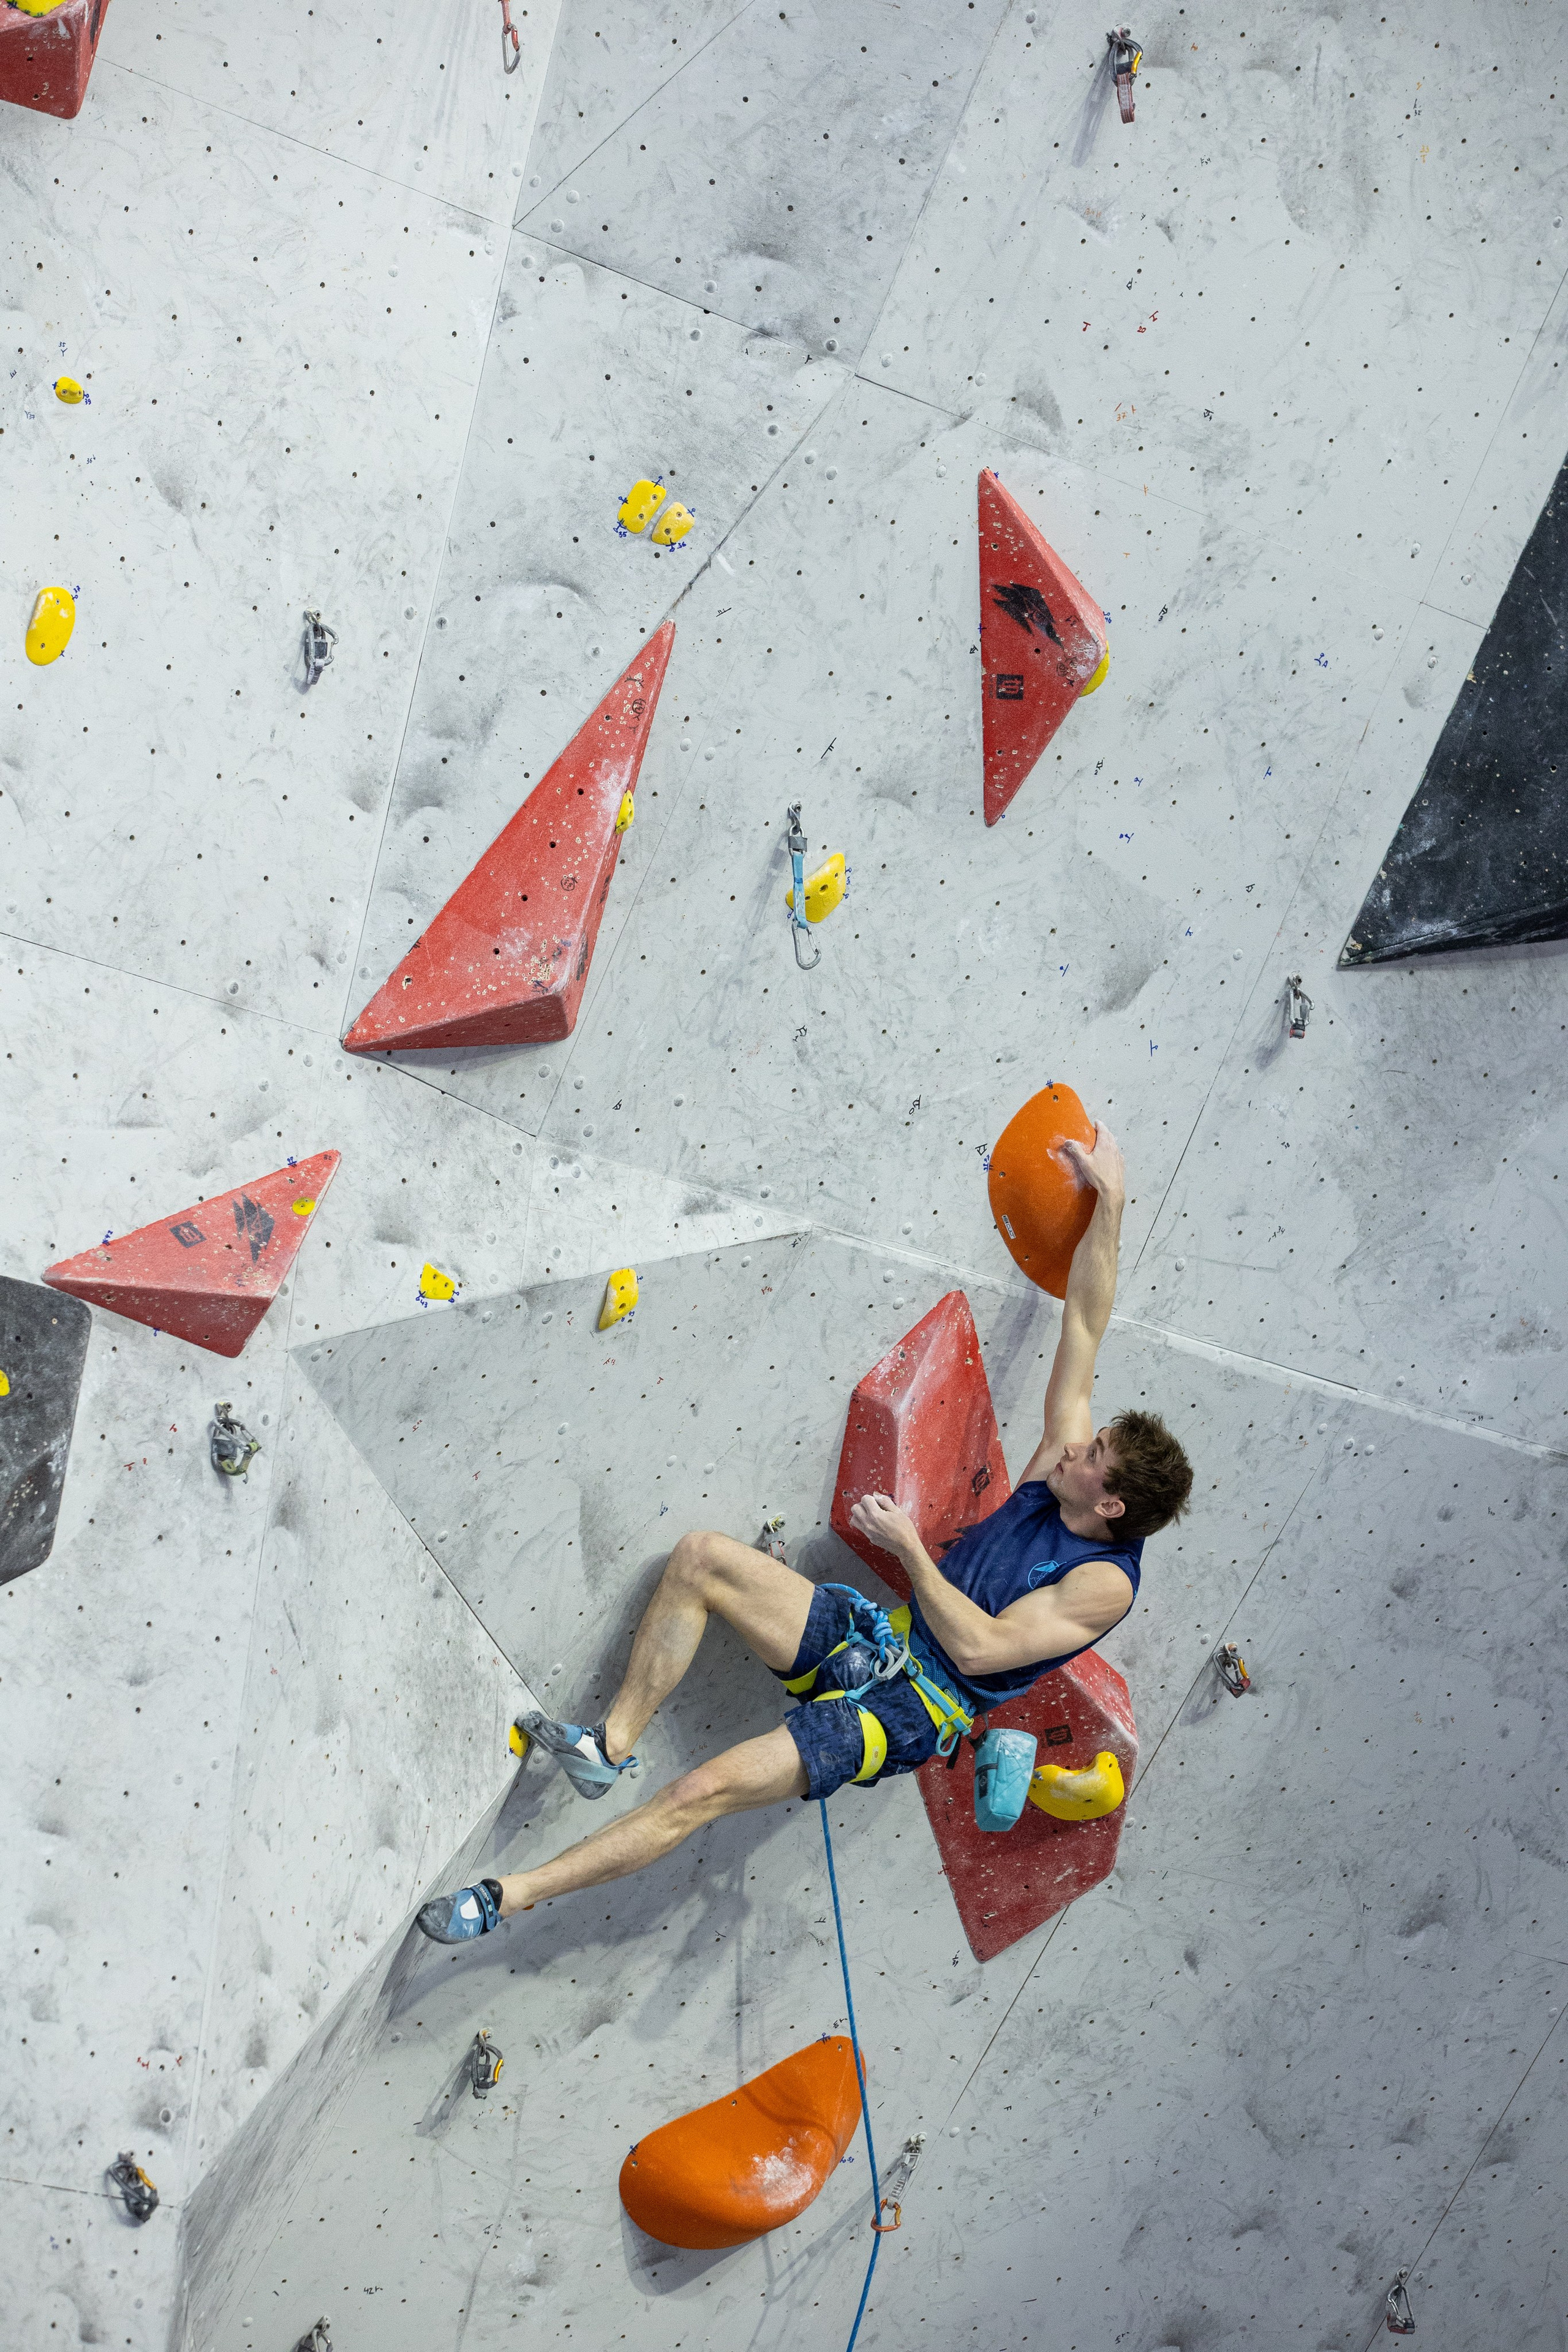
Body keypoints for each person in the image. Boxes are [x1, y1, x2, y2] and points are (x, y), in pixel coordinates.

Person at [418, 1121, 1193, 1945]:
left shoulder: (1103, 1583)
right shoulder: (1058, 1477)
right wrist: (1110, 1199)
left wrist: (909, 1553)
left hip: (912, 1710)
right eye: (1092, 1438)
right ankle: (609, 1746)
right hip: (878, 1638)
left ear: (1109, 1505)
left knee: (695, 1795)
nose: (1077, 1443)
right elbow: (1085, 1324)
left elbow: (979, 1650)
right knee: (704, 1559)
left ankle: (506, 1896)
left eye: (1094, 1454)